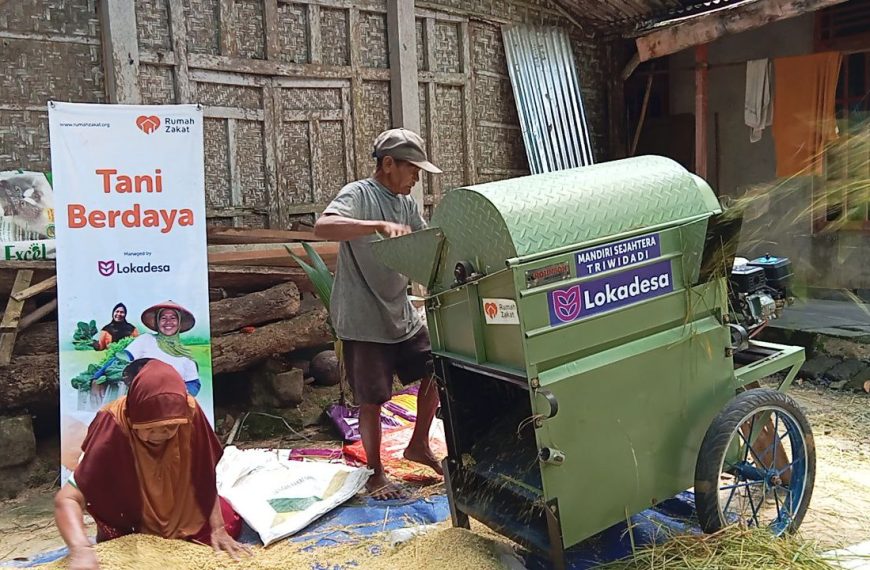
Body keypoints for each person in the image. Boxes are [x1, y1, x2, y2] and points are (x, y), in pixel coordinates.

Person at [313, 128, 443, 500]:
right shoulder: (358, 195)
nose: (416, 178)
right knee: (372, 398)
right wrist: (374, 226)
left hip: (400, 313)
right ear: (388, 164)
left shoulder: (406, 204)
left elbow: (425, 244)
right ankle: (374, 472)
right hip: (363, 317)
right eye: (412, 169)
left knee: (436, 368)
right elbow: (323, 226)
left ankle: (418, 444)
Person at [54, 359, 249, 570]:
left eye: (170, 428)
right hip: (133, 522)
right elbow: (67, 499)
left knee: (230, 523)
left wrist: (218, 528)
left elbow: (204, 473)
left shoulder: (190, 412)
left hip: (184, 510)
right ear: (132, 417)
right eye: (150, 428)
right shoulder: (113, 424)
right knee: (120, 550)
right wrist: (81, 550)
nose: (160, 435)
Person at [122, 300, 202, 396]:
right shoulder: (146, 339)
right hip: (140, 397)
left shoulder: (186, 356)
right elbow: (123, 358)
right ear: (158, 322)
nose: (168, 322)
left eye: (173, 318)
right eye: (163, 318)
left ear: (179, 323)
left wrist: (180, 394)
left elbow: (193, 383)